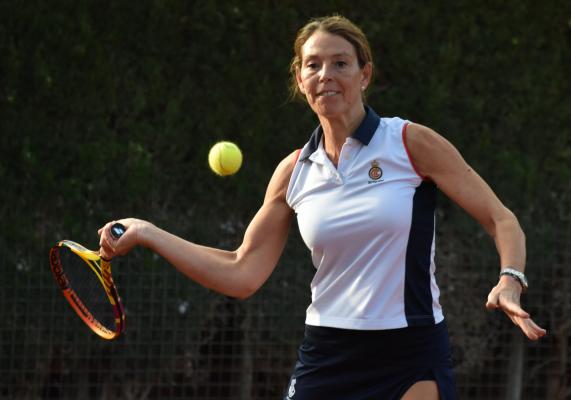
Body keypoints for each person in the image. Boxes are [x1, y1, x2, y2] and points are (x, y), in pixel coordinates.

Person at [98, 15, 546, 400]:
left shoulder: (409, 143)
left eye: (340, 63)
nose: (326, 74)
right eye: (313, 64)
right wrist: (147, 232)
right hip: (327, 351)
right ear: (299, 79)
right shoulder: (294, 171)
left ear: (364, 74)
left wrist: (511, 279)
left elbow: (500, 218)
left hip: (410, 350)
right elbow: (242, 271)